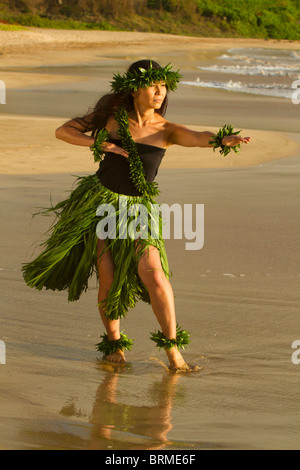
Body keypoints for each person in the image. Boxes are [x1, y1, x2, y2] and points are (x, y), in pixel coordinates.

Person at [22, 60, 250, 371]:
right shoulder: (112, 120)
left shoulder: (166, 129)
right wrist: (99, 143)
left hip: (140, 210)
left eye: (164, 85)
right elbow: (64, 131)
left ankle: (173, 352)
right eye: (153, 85)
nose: (160, 91)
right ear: (134, 89)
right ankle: (114, 344)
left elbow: (199, 136)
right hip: (99, 204)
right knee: (109, 276)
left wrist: (222, 140)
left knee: (155, 275)